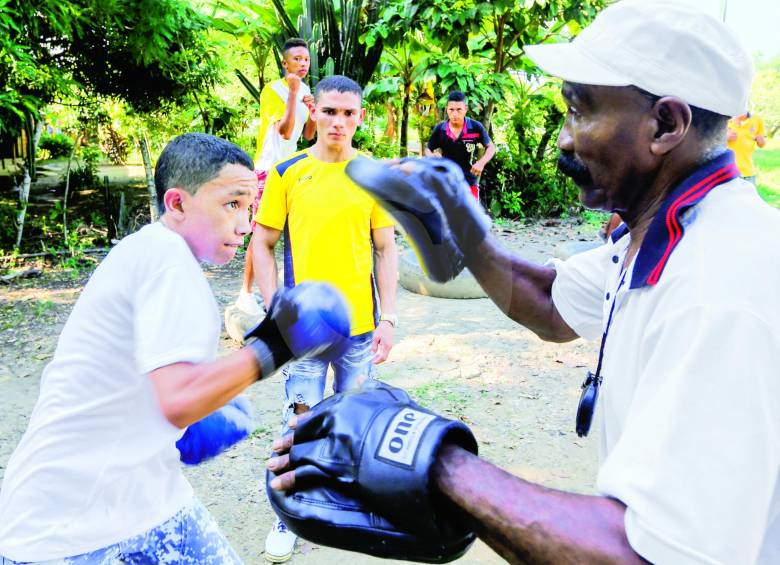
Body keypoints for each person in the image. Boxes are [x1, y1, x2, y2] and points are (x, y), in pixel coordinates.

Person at [267, 2, 780, 564]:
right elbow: (550, 304)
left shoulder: (720, 288)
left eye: (580, 111)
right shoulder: (659, 233)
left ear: (665, 125)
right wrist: (464, 229)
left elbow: (656, 556)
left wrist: (433, 461)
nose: (564, 139)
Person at [0, 133, 351, 564]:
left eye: (249, 207)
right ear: (178, 203)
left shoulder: (152, 255)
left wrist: (198, 416)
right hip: (68, 533)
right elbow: (179, 398)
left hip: (152, 505)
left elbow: (158, 391)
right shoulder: (165, 260)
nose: (244, 224)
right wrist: (274, 346)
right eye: (231, 205)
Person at [251, 75, 398, 562]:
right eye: (330, 111)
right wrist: (277, 310)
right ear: (314, 113)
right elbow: (263, 243)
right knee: (302, 422)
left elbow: (384, 248)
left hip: (359, 326)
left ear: (360, 117)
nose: (338, 121)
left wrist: (390, 318)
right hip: (305, 334)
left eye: (348, 113)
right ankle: (289, 512)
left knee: (352, 420)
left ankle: (347, 503)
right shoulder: (287, 172)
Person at [233, 37, 317, 319]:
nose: (303, 64)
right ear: (284, 63)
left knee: (292, 233)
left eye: (306, 59)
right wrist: (293, 95)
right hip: (267, 169)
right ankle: (245, 295)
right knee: (261, 233)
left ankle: (287, 293)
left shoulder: (305, 90)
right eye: (297, 59)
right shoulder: (273, 91)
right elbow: (284, 130)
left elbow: (307, 135)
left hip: (289, 171)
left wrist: (313, 112)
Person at [425, 90, 496, 201]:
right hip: (446, 182)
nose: (455, 114)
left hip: (469, 182)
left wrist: (481, 163)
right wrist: (432, 158)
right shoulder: (440, 129)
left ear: (465, 109)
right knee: (447, 217)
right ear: (447, 110)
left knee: (471, 217)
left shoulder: (475, 127)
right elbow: (428, 149)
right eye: (451, 109)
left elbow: (491, 147)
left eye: (459, 109)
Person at [727, 111, 767, 184]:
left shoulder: (757, 120)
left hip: (748, 173)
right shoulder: (724, 119)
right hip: (728, 173)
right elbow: (710, 142)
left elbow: (762, 144)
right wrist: (724, 137)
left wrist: (761, 140)